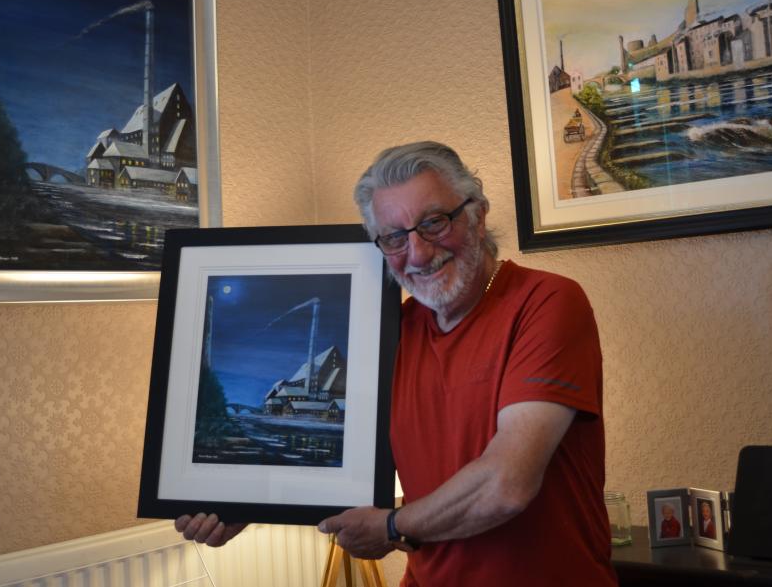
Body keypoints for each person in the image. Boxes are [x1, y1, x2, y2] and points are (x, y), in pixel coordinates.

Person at [176, 141, 616, 586]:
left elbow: (506, 485)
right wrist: (241, 506)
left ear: (478, 214)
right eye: (394, 237)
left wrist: (392, 526)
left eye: (434, 223)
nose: (419, 253)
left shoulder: (547, 303)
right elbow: (338, 462)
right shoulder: (390, 334)